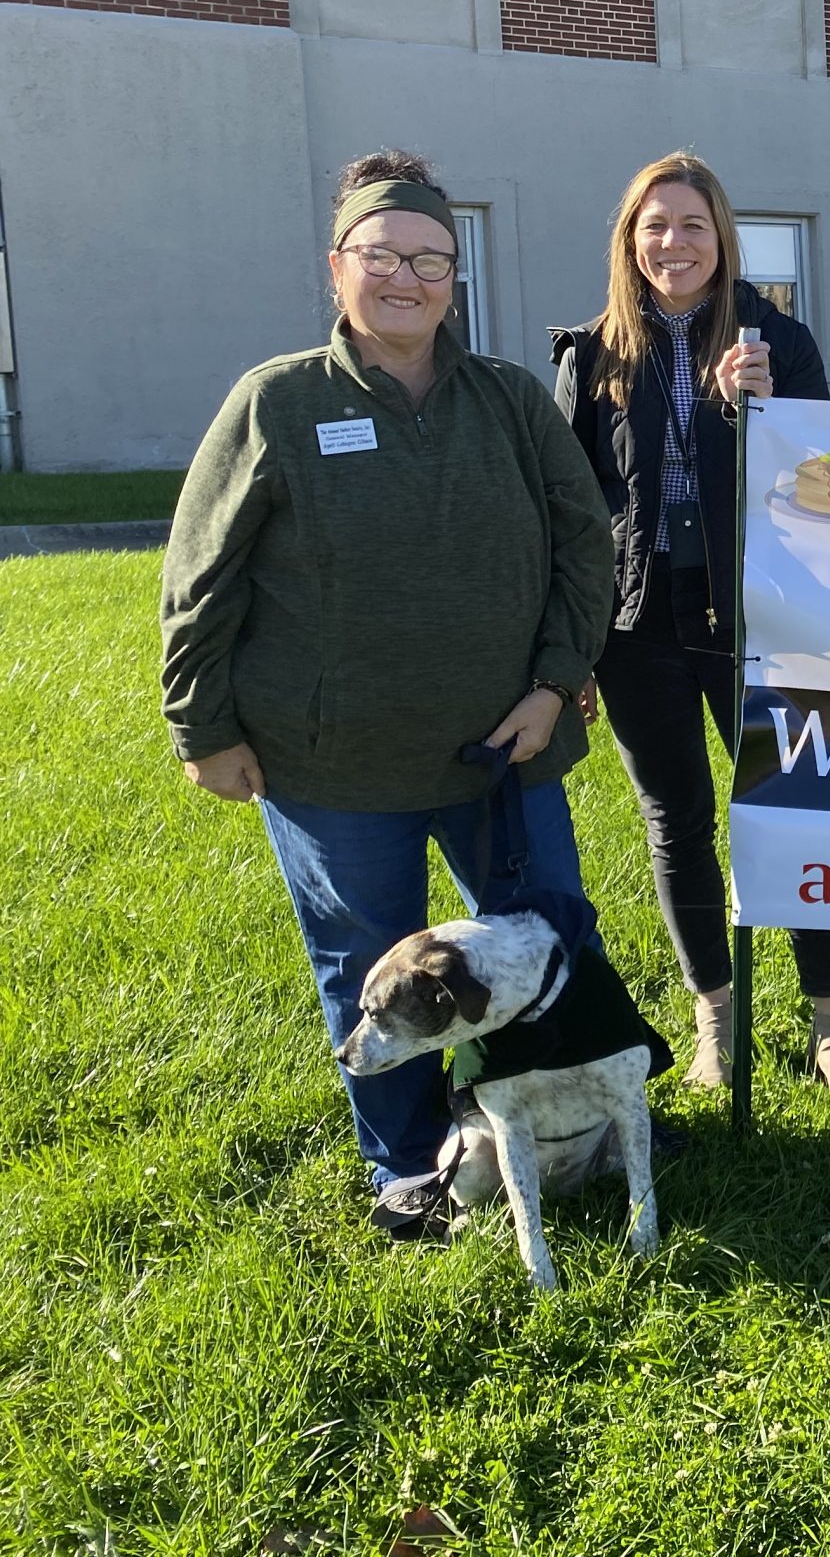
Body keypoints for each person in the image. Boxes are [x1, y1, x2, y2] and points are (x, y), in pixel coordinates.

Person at [160, 149, 616, 1237]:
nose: (405, 279)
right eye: (382, 256)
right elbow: (199, 575)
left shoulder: (507, 400)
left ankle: (585, 1125)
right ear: (338, 267)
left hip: (502, 750)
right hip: (336, 766)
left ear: (456, 276)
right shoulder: (278, 401)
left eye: (429, 259)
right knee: (367, 966)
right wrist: (203, 725)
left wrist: (556, 684)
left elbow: (585, 547)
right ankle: (410, 1161)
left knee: (555, 935)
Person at [554, 153, 830, 1090]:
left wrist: (765, 412)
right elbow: (568, 512)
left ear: (722, 236)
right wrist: (569, 650)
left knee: (793, 806)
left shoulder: (777, 338)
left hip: (760, 615)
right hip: (637, 622)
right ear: (630, 240)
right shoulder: (593, 351)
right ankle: (715, 1020)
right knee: (675, 820)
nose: (673, 244)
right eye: (655, 226)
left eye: (693, 225)